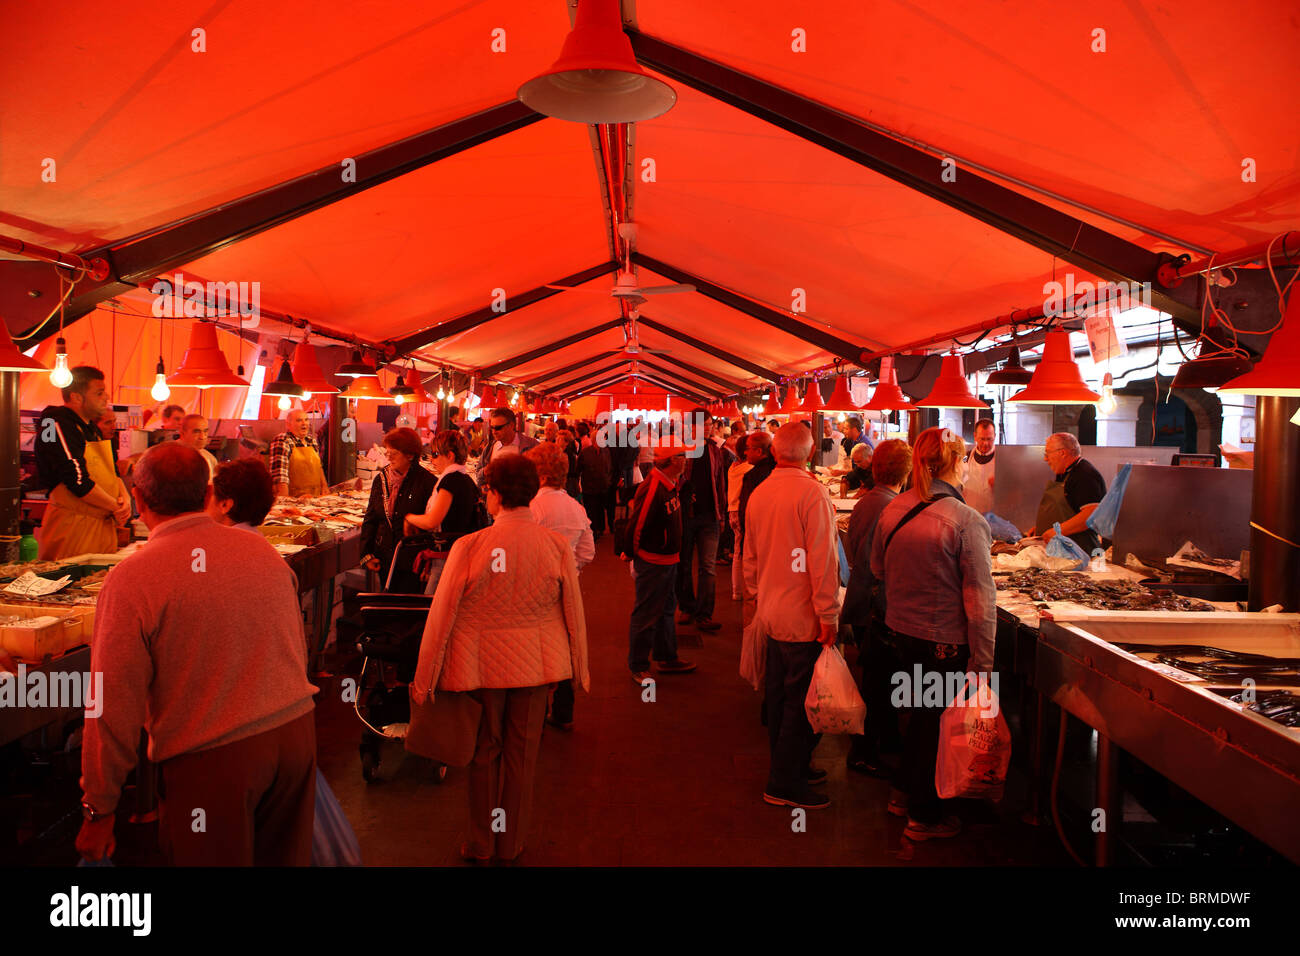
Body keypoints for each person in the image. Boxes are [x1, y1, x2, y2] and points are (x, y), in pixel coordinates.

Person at [77, 443, 318, 865]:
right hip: (296, 739)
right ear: (208, 494)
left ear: (137, 499)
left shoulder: (131, 579)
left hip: (216, 762)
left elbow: (110, 702)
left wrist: (99, 806)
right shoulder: (262, 552)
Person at [412, 453, 589, 863]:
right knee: (521, 757)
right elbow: (574, 612)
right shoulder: (554, 545)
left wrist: (424, 679)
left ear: (492, 494)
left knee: (484, 752)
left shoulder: (470, 545)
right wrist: (580, 669)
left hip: (479, 666)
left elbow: (441, 616)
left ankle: (481, 840)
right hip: (537, 665)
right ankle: (510, 842)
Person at [871, 427, 995, 842]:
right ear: (958, 463)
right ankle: (923, 817)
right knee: (934, 723)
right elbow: (979, 600)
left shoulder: (893, 508)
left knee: (921, 718)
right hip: (945, 639)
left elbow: (877, 570)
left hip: (902, 631)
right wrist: (983, 663)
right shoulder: (965, 519)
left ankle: (902, 796)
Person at [744, 423, 840, 810]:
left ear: (775, 452)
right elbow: (822, 560)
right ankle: (784, 783)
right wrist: (828, 613)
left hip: (771, 609)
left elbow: (748, 553)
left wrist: (756, 594)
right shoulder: (811, 493)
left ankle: (790, 766)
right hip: (802, 615)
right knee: (800, 702)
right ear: (810, 451)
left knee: (779, 695)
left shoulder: (761, 491)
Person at [842, 439, 913, 777]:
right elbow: (878, 565)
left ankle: (885, 741)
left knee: (876, 679)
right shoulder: (892, 507)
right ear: (907, 471)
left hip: (862, 602)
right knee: (877, 683)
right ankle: (863, 750)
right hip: (875, 605)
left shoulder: (867, 500)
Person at [525, 442, 595, 731]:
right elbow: (587, 552)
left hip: (534, 591)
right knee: (565, 647)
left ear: (539, 475)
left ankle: (536, 713)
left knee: (536, 649)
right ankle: (564, 710)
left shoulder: (532, 507)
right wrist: (571, 570)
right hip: (569, 589)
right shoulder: (576, 508)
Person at [35, 366, 132, 559]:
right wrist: (115, 507)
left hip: (101, 526)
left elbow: (113, 474)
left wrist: (125, 501)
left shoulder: (91, 429)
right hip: (72, 528)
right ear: (77, 397)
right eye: (99, 393)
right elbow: (77, 481)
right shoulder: (54, 424)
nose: (106, 397)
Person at [625, 441, 696, 683]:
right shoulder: (654, 486)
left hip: (666, 560)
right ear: (672, 460)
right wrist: (633, 554)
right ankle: (638, 665)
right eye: (683, 455)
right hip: (654, 561)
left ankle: (666, 656)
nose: (687, 459)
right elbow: (637, 524)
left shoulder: (669, 483)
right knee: (646, 613)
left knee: (665, 610)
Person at [360, 427, 438, 592]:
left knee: (408, 609)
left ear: (410, 455)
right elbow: (371, 518)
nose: (389, 458)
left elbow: (433, 525)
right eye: (387, 453)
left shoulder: (427, 482)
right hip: (385, 558)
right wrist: (366, 554)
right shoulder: (381, 479)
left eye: (393, 454)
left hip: (414, 561)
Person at [675, 408, 727, 633]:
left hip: (709, 515)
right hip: (686, 515)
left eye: (709, 425)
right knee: (683, 565)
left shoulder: (716, 451)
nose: (707, 429)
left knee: (708, 567)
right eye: (703, 425)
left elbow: (720, 483)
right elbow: (674, 478)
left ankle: (704, 614)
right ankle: (687, 607)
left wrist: (722, 513)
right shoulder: (682, 449)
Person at [1030, 432, 1107, 554]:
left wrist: (1057, 531)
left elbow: (1091, 514)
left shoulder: (1085, 475)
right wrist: (1042, 528)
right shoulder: (1065, 474)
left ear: (1062, 453)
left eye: (1047, 453)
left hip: (1081, 552)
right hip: (1065, 550)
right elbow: (1068, 512)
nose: (1045, 459)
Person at [269, 408, 329, 499]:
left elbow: (319, 468)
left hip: (315, 500)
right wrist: (284, 502)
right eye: (299, 420)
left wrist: (324, 487)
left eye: (306, 420)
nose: (304, 423)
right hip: (294, 500)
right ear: (288, 425)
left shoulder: (311, 441)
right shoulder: (283, 440)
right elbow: (280, 476)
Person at [725, 434, 756, 601]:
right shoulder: (748, 469)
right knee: (744, 551)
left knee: (738, 551)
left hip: (732, 511)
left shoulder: (733, 467)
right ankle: (741, 590)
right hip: (741, 511)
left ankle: (736, 591)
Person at [208, 458, 276, 531]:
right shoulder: (259, 539)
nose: (204, 502)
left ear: (225, 505)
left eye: (210, 494)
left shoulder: (222, 541)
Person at [576, 431, 613, 539]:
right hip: (589, 486)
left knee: (600, 509)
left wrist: (608, 480)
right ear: (594, 440)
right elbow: (579, 469)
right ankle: (593, 531)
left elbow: (609, 467)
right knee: (591, 510)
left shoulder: (606, 451)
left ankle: (600, 529)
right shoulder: (585, 452)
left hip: (603, 486)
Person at [963, 418, 997, 517]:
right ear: (975, 436)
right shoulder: (966, 457)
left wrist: (1000, 487)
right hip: (969, 514)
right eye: (982, 439)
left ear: (995, 436)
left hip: (994, 517)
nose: (985, 443)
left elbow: (1015, 493)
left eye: (989, 439)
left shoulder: (1002, 460)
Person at [179, 414, 218, 479]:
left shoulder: (210, 459)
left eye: (205, 431)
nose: (202, 437)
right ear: (183, 433)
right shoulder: (170, 456)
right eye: (196, 432)